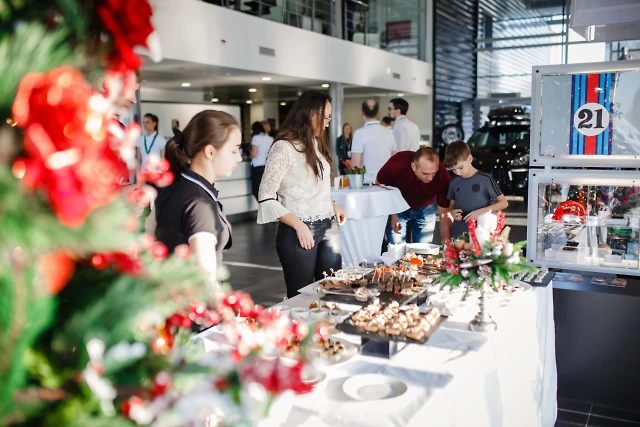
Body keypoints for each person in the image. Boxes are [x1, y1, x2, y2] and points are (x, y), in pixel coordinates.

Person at [258, 90, 347, 298]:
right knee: (303, 298)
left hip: (329, 226)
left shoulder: (315, 143)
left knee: (332, 290)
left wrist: (332, 204)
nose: (327, 124)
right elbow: (266, 196)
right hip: (298, 230)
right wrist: (299, 225)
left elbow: (312, 185)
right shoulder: (283, 147)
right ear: (311, 113)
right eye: (326, 117)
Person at [154, 110, 243, 290]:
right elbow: (205, 279)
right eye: (234, 150)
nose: (239, 158)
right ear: (210, 151)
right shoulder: (200, 204)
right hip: (192, 303)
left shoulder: (172, 185)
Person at [377, 147, 452, 245]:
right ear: (413, 166)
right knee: (396, 249)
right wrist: (393, 213)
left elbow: (444, 214)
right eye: (425, 173)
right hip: (398, 207)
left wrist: (447, 246)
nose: (430, 178)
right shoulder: (398, 162)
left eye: (434, 173)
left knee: (423, 250)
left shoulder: (443, 176)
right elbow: (381, 185)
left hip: (426, 208)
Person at [444, 140, 508, 238]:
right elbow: (451, 205)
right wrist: (452, 212)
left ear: (470, 158)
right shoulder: (453, 182)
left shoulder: (485, 179)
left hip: (481, 231)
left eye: (461, 168)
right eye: (453, 170)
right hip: (459, 233)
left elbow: (503, 203)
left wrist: (481, 212)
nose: (458, 172)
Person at [350, 100, 397, 184]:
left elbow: (355, 167)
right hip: (386, 184)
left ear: (362, 113)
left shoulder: (359, 133)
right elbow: (394, 160)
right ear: (378, 112)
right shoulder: (389, 133)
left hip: (366, 184)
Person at [250, 121, 273, 201]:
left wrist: (249, 151)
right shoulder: (270, 138)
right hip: (267, 166)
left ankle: (262, 205)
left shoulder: (256, 138)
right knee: (266, 190)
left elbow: (254, 154)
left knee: (256, 190)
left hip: (258, 165)